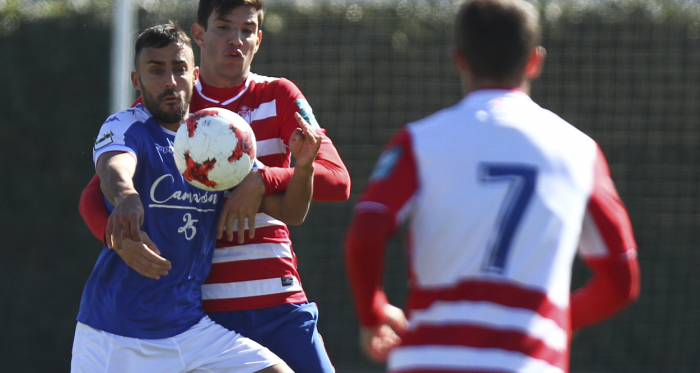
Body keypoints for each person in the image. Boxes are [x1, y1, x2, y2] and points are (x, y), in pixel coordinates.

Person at [344, 0, 641, 372]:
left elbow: (367, 229)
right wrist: (565, 319)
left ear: (459, 59)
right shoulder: (580, 151)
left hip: (427, 359)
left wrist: (372, 312)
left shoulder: (419, 141)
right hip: (529, 362)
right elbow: (621, 279)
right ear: (535, 60)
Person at [78, 1, 350, 372]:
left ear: (259, 38)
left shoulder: (277, 95)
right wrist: (121, 240)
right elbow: (99, 188)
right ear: (200, 35)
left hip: (276, 298)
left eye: (247, 29)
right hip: (202, 309)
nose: (236, 40)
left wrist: (263, 178)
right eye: (224, 27)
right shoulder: (172, 102)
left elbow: (335, 177)